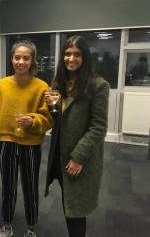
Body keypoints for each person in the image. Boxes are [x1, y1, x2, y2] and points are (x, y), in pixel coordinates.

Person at [44, 35, 110, 237]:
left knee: (76, 210)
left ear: (85, 57)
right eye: (67, 54)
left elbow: (98, 127)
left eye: (77, 54)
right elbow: (60, 120)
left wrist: (79, 157)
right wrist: (51, 108)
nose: (71, 58)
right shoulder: (59, 83)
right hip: (59, 154)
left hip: (79, 158)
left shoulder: (98, 85)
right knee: (68, 203)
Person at [0, 40, 54, 237]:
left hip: (30, 143)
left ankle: (31, 227)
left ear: (32, 60)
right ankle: (7, 225)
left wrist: (34, 120)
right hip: (6, 142)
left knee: (30, 186)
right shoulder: (2, 85)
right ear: (12, 59)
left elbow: (48, 119)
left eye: (26, 58)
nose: (21, 62)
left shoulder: (41, 86)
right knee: (7, 187)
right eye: (17, 57)